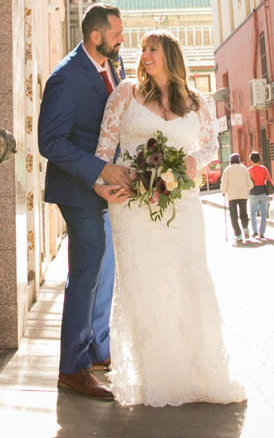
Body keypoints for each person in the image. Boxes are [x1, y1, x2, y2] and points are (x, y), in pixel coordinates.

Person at [95, 29, 246, 407]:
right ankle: (155, 379)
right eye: (143, 49)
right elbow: (105, 145)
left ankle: (199, 374)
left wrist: (193, 161)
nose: (144, 55)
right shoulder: (125, 93)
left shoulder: (198, 101)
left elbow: (211, 144)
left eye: (152, 49)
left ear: (170, 56)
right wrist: (104, 183)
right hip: (132, 202)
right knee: (144, 282)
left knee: (187, 277)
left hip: (182, 204)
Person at [38, 4, 132, 401]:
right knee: (87, 270)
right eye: (116, 33)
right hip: (77, 191)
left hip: (105, 186)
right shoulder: (65, 78)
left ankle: (93, 352)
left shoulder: (116, 65)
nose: (121, 39)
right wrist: (98, 173)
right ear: (96, 36)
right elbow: (50, 143)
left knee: (102, 270)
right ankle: (72, 369)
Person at [220, 153, 253, 245]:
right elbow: (250, 184)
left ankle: (238, 235)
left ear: (230, 161)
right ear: (238, 160)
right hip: (243, 195)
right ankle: (245, 228)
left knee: (234, 216)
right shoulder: (244, 169)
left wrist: (223, 191)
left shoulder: (227, 170)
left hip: (232, 196)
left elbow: (224, 183)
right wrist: (248, 188)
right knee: (244, 214)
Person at [248, 151, 274, 239]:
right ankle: (262, 232)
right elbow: (270, 180)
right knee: (263, 214)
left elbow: (247, 183)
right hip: (263, 192)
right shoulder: (263, 168)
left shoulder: (249, 170)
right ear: (260, 160)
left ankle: (255, 231)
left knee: (253, 213)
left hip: (253, 192)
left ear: (251, 160)